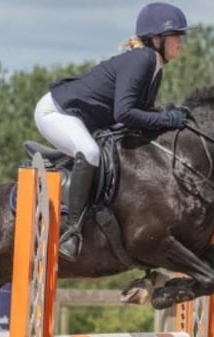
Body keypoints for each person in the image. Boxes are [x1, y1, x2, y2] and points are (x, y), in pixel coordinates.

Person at [34, 2, 191, 262]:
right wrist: (166, 119)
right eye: (176, 36)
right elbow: (124, 113)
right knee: (90, 153)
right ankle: (71, 232)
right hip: (56, 112)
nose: (180, 42)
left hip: (80, 119)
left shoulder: (155, 67)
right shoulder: (143, 59)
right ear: (156, 39)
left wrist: (169, 117)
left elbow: (140, 115)